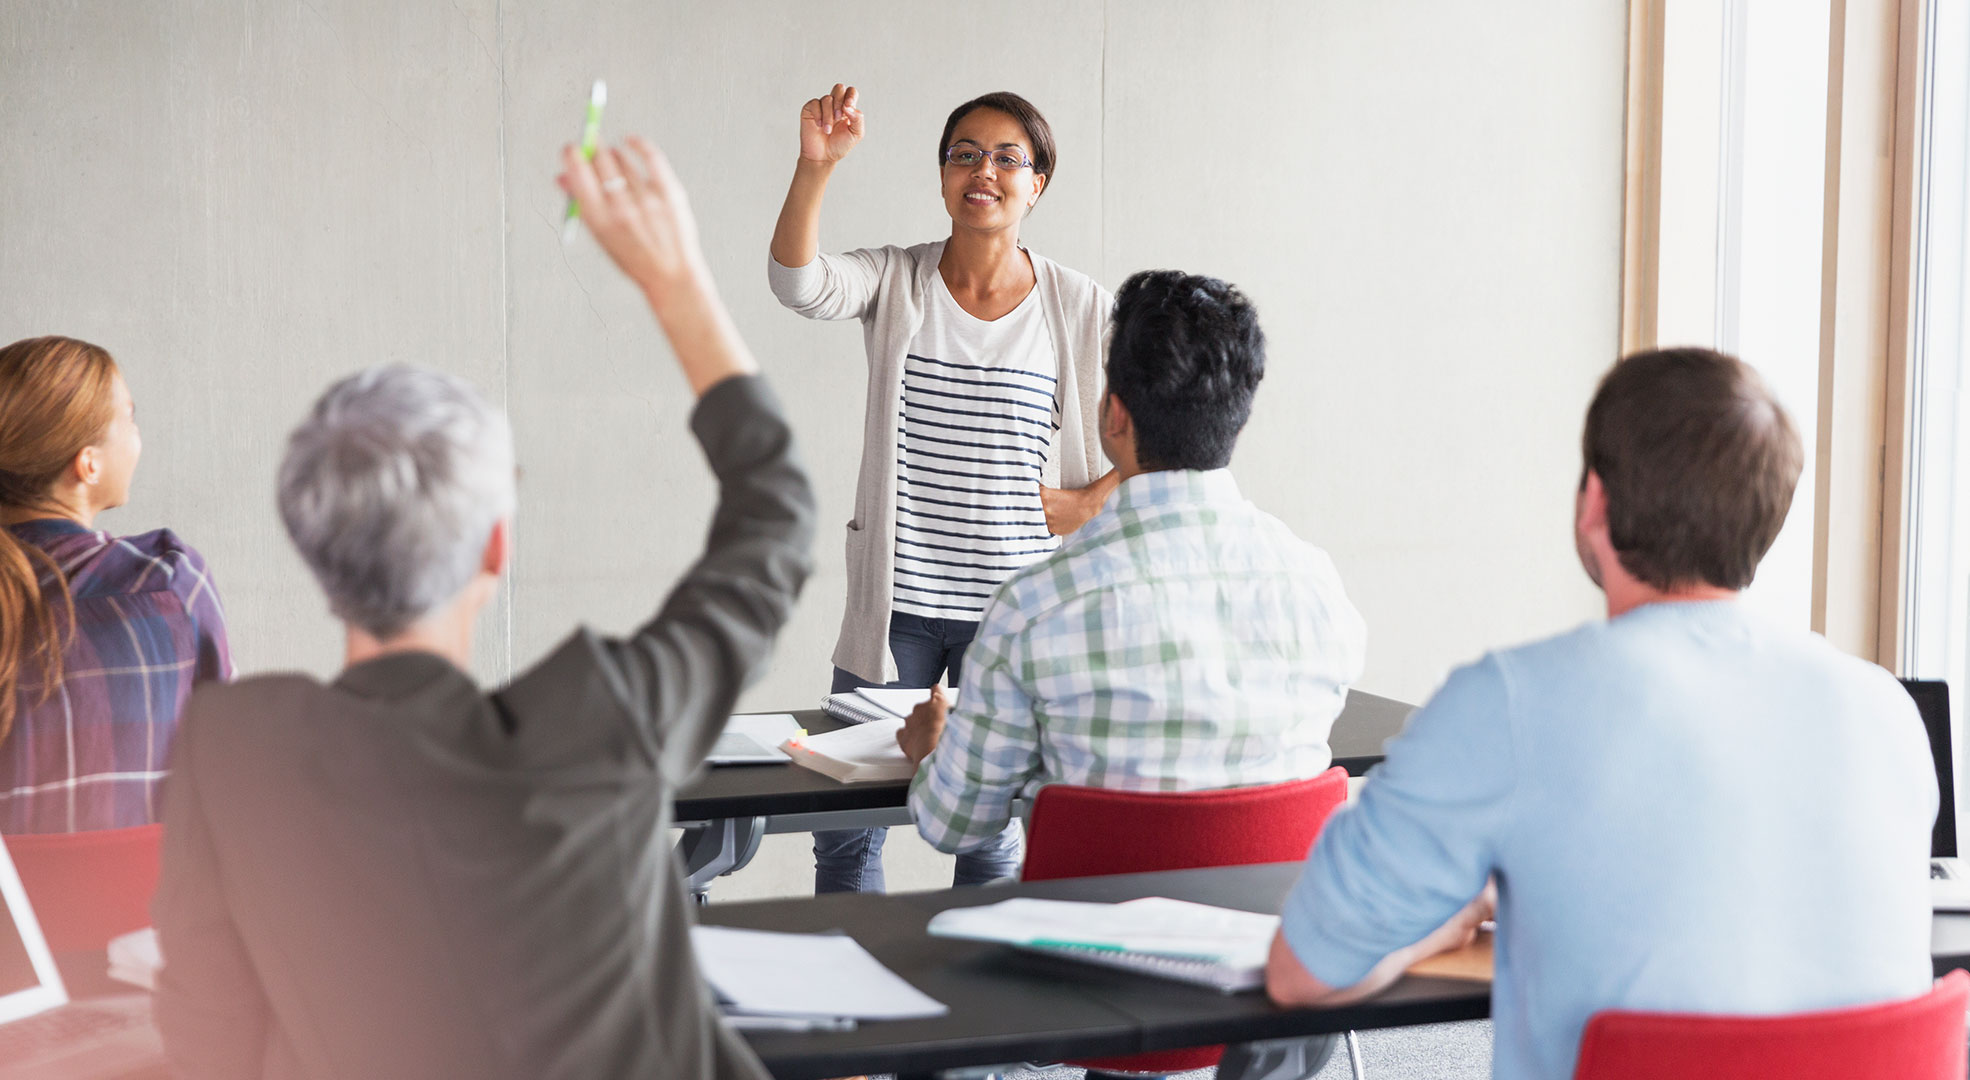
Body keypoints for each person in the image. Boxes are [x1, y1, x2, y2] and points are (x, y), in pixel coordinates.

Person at [151, 136, 815, 1080]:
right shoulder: (605, 714)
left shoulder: (234, 752)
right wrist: (676, 284)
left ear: (312, 544)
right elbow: (777, 520)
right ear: (496, 547)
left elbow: (206, 1042)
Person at [1265, 348, 1937, 1080]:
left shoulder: (1508, 702)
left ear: (1594, 502)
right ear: (1767, 516)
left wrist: (1445, 921)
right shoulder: (1887, 711)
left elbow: (1304, 968)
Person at [768, 84, 1118, 893]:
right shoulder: (897, 280)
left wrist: (1084, 502)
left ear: (1038, 183)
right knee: (847, 832)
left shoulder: (1079, 307)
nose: (983, 171)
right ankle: (851, 1012)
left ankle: (979, 1018)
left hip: (1012, 618)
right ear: (942, 175)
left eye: (1007, 158)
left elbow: (1168, 438)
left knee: (987, 838)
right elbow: (798, 284)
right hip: (895, 613)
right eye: (965, 154)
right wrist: (814, 168)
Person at [899, 268, 1366, 868]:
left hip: (1081, 956)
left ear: (1115, 416)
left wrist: (932, 750)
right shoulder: (1317, 589)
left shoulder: (1036, 608)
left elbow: (952, 824)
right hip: (1269, 951)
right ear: (1238, 417)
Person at [0, 335, 231, 834]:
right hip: (139, 911)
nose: (137, 436)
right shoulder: (167, 584)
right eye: (130, 417)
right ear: (88, 463)